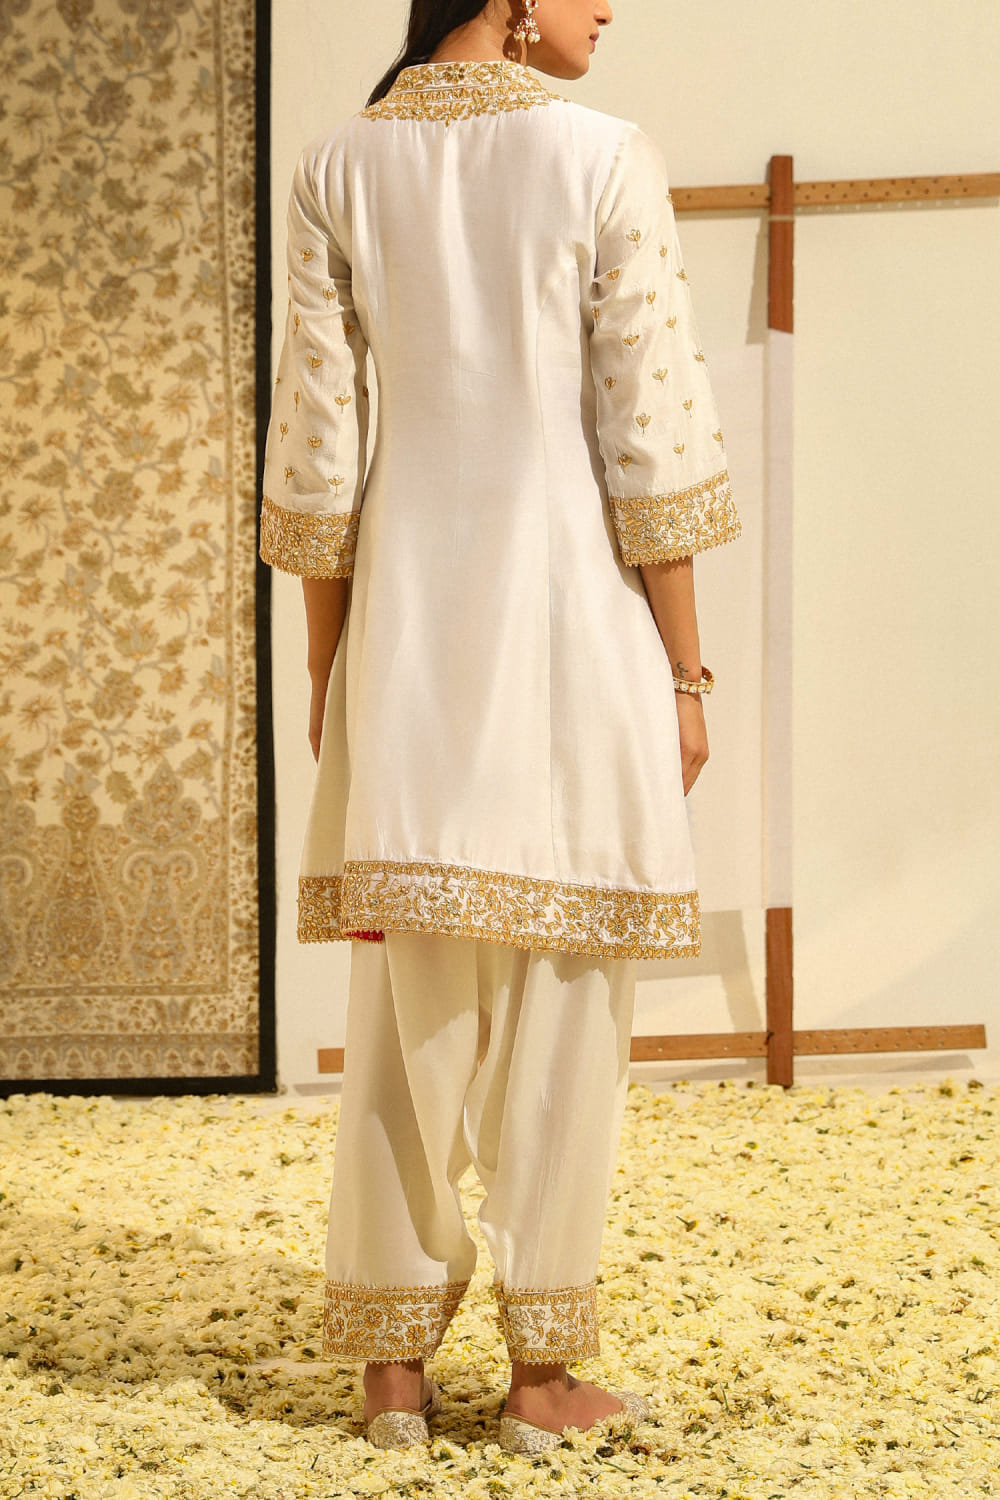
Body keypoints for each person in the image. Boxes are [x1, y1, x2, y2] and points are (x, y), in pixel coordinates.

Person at [259, 0, 740, 1455]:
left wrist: (331, 669)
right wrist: (688, 674)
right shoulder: (601, 154)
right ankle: (541, 1380)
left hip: (405, 634)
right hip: (572, 626)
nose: (610, 8)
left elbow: (319, 453)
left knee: (406, 1004)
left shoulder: (337, 167)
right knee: (568, 991)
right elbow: (650, 438)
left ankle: (392, 1375)